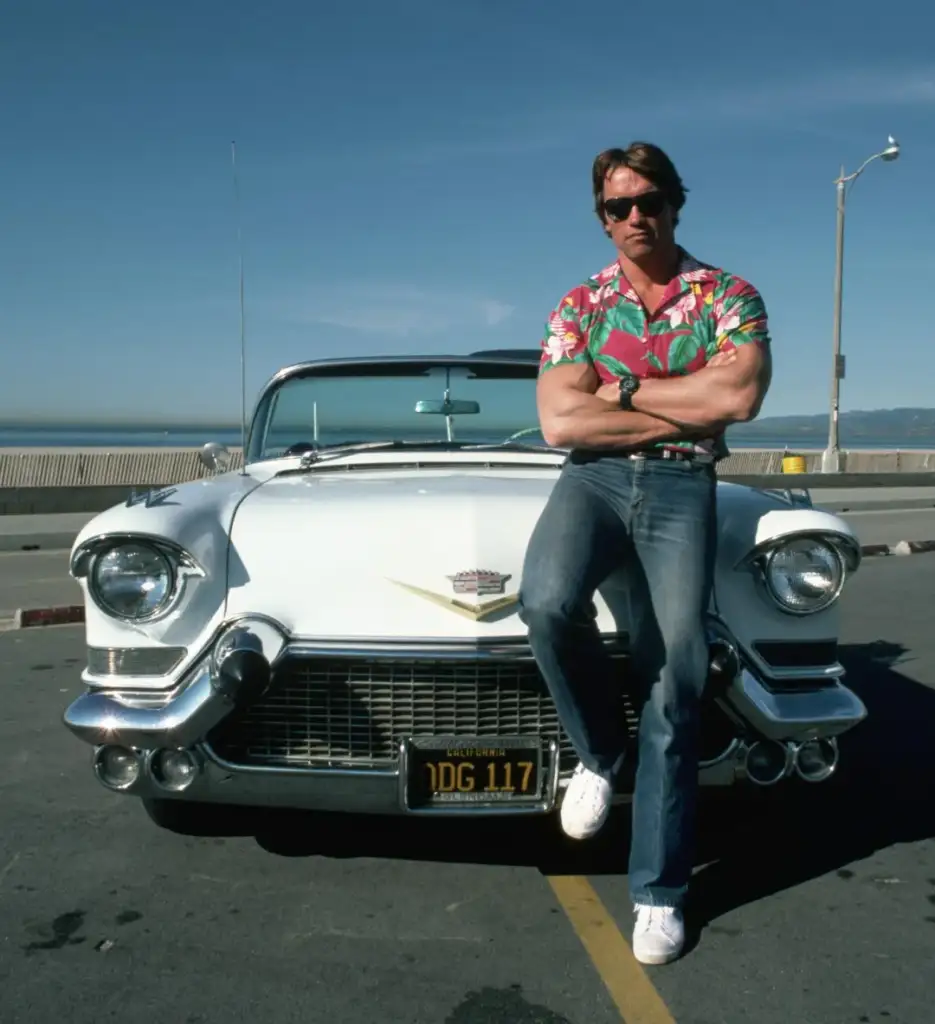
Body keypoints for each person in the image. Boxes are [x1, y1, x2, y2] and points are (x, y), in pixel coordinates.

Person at [517, 141, 772, 965]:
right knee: (545, 602)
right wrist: (680, 406)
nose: (634, 217)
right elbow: (561, 422)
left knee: (676, 676)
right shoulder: (578, 303)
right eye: (616, 207)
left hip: (678, 489)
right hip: (588, 481)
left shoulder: (727, 295)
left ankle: (658, 892)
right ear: (600, 216)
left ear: (674, 204)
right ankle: (599, 754)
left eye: (648, 201)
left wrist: (615, 391)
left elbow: (738, 396)